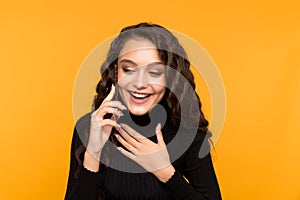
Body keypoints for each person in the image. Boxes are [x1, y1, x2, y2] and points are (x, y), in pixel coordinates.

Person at [65, 22, 222, 200]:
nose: (139, 84)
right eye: (129, 69)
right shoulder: (91, 127)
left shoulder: (186, 130)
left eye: (154, 72)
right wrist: (93, 153)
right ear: (116, 72)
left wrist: (165, 172)